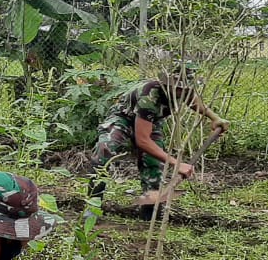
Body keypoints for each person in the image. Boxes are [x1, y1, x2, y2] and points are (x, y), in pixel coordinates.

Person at [88, 67, 228, 219]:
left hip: (151, 121)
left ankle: (149, 212)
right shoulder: (150, 96)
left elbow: (193, 101)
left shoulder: (184, 92)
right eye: (177, 88)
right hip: (124, 118)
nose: (181, 93)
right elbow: (143, 141)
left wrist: (214, 117)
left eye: (185, 89)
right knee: (105, 149)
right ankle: (92, 207)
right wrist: (177, 163)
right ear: (166, 84)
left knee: (153, 162)